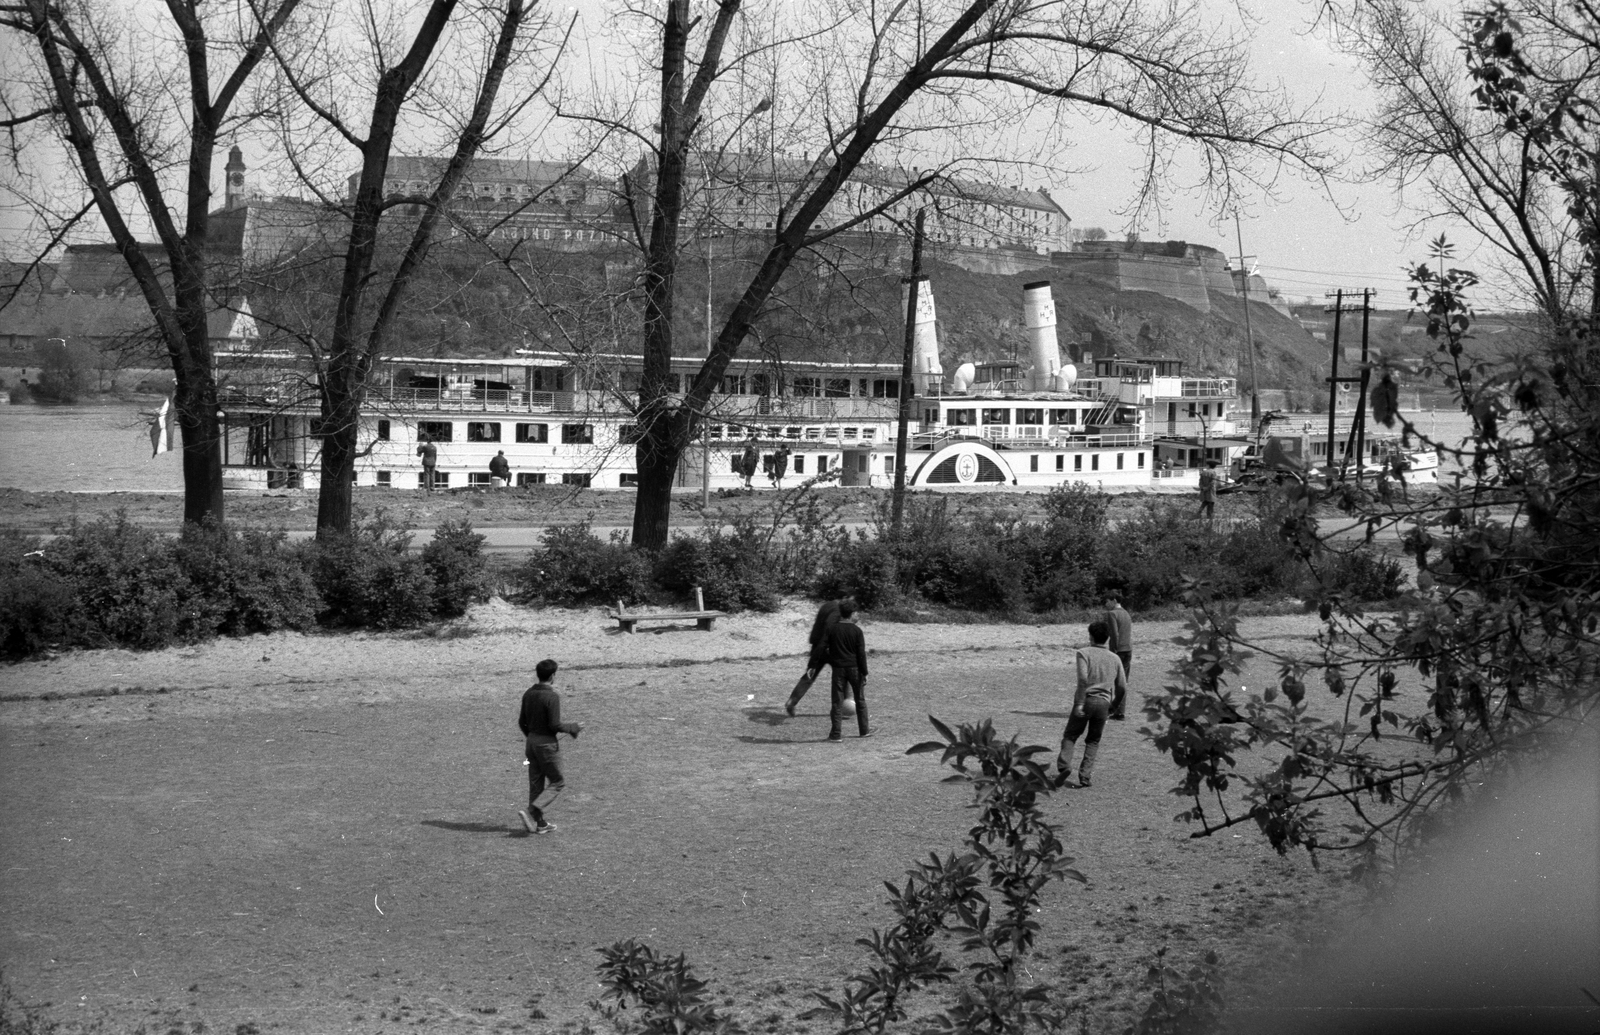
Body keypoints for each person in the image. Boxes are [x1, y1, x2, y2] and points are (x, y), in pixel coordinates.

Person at [1055, 620, 1126, 789]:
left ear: (1091, 636)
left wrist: (1079, 704)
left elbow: (1082, 680)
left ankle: (1065, 766)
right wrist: (1114, 705)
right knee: (1093, 740)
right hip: (1104, 703)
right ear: (1107, 638)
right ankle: (1085, 776)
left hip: (1086, 700)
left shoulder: (1083, 653)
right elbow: (1122, 686)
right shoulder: (1115, 658)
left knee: (1071, 735)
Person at [517, 658, 583, 835]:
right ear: (553, 676)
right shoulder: (551, 696)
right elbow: (555, 725)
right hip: (546, 745)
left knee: (536, 783)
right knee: (557, 781)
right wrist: (573, 728)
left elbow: (521, 722)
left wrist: (532, 738)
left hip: (531, 742)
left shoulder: (528, 693)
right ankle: (532, 811)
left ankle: (539, 824)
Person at [785, 594, 854, 716]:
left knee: (809, 675)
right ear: (845, 597)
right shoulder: (837, 611)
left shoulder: (827, 605)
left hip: (817, 646)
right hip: (829, 649)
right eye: (851, 599)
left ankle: (792, 701)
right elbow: (829, 626)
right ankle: (842, 707)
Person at [822, 600, 872, 741]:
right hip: (855, 669)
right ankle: (864, 731)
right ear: (851, 613)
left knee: (837, 702)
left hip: (838, 669)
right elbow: (861, 654)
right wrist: (865, 672)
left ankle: (836, 734)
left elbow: (824, 649)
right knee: (860, 700)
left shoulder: (832, 629)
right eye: (856, 612)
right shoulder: (857, 631)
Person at [1101, 592, 1133, 720]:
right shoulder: (1126, 613)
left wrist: (1112, 652)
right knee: (1123, 682)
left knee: (1110, 680)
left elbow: (1114, 635)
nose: (1105, 604)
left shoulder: (1112, 614)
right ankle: (1120, 712)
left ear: (1113, 600)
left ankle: (1108, 709)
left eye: (1107, 601)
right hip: (1128, 650)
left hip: (1118, 651)